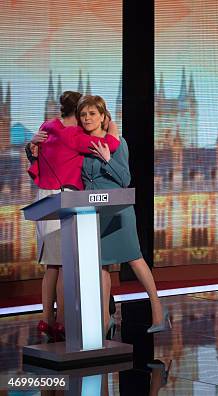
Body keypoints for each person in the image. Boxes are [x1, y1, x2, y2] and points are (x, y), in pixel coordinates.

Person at [26, 90, 121, 341]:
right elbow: (107, 145)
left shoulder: (48, 126)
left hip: (44, 199)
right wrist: (112, 130)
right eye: (83, 113)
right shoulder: (73, 135)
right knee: (65, 263)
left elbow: (36, 156)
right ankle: (60, 322)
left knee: (52, 265)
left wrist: (29, 148)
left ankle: (47, 319)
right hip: (62, 201)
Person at [77, 95, 170, 335]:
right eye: (84, 114)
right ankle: (105, 319)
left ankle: (158, 310)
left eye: (92, 114)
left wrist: (107, 159)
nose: (87, 118)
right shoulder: (80, 145)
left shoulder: (117, 143)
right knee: (101, 265)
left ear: (102, 116)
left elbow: (125, 179)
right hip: (93, 211)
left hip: (119, 210)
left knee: (134, 258)